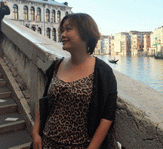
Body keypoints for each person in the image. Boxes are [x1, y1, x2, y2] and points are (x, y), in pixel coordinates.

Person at [32, 13, 118, 149]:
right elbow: (44, 101)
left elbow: (107, 116)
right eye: (62, 30)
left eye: (68, 29)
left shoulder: (103, 71)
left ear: (85, 32)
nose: (62, 35)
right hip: (46, 143)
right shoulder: (56, 66)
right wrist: (35, 133)